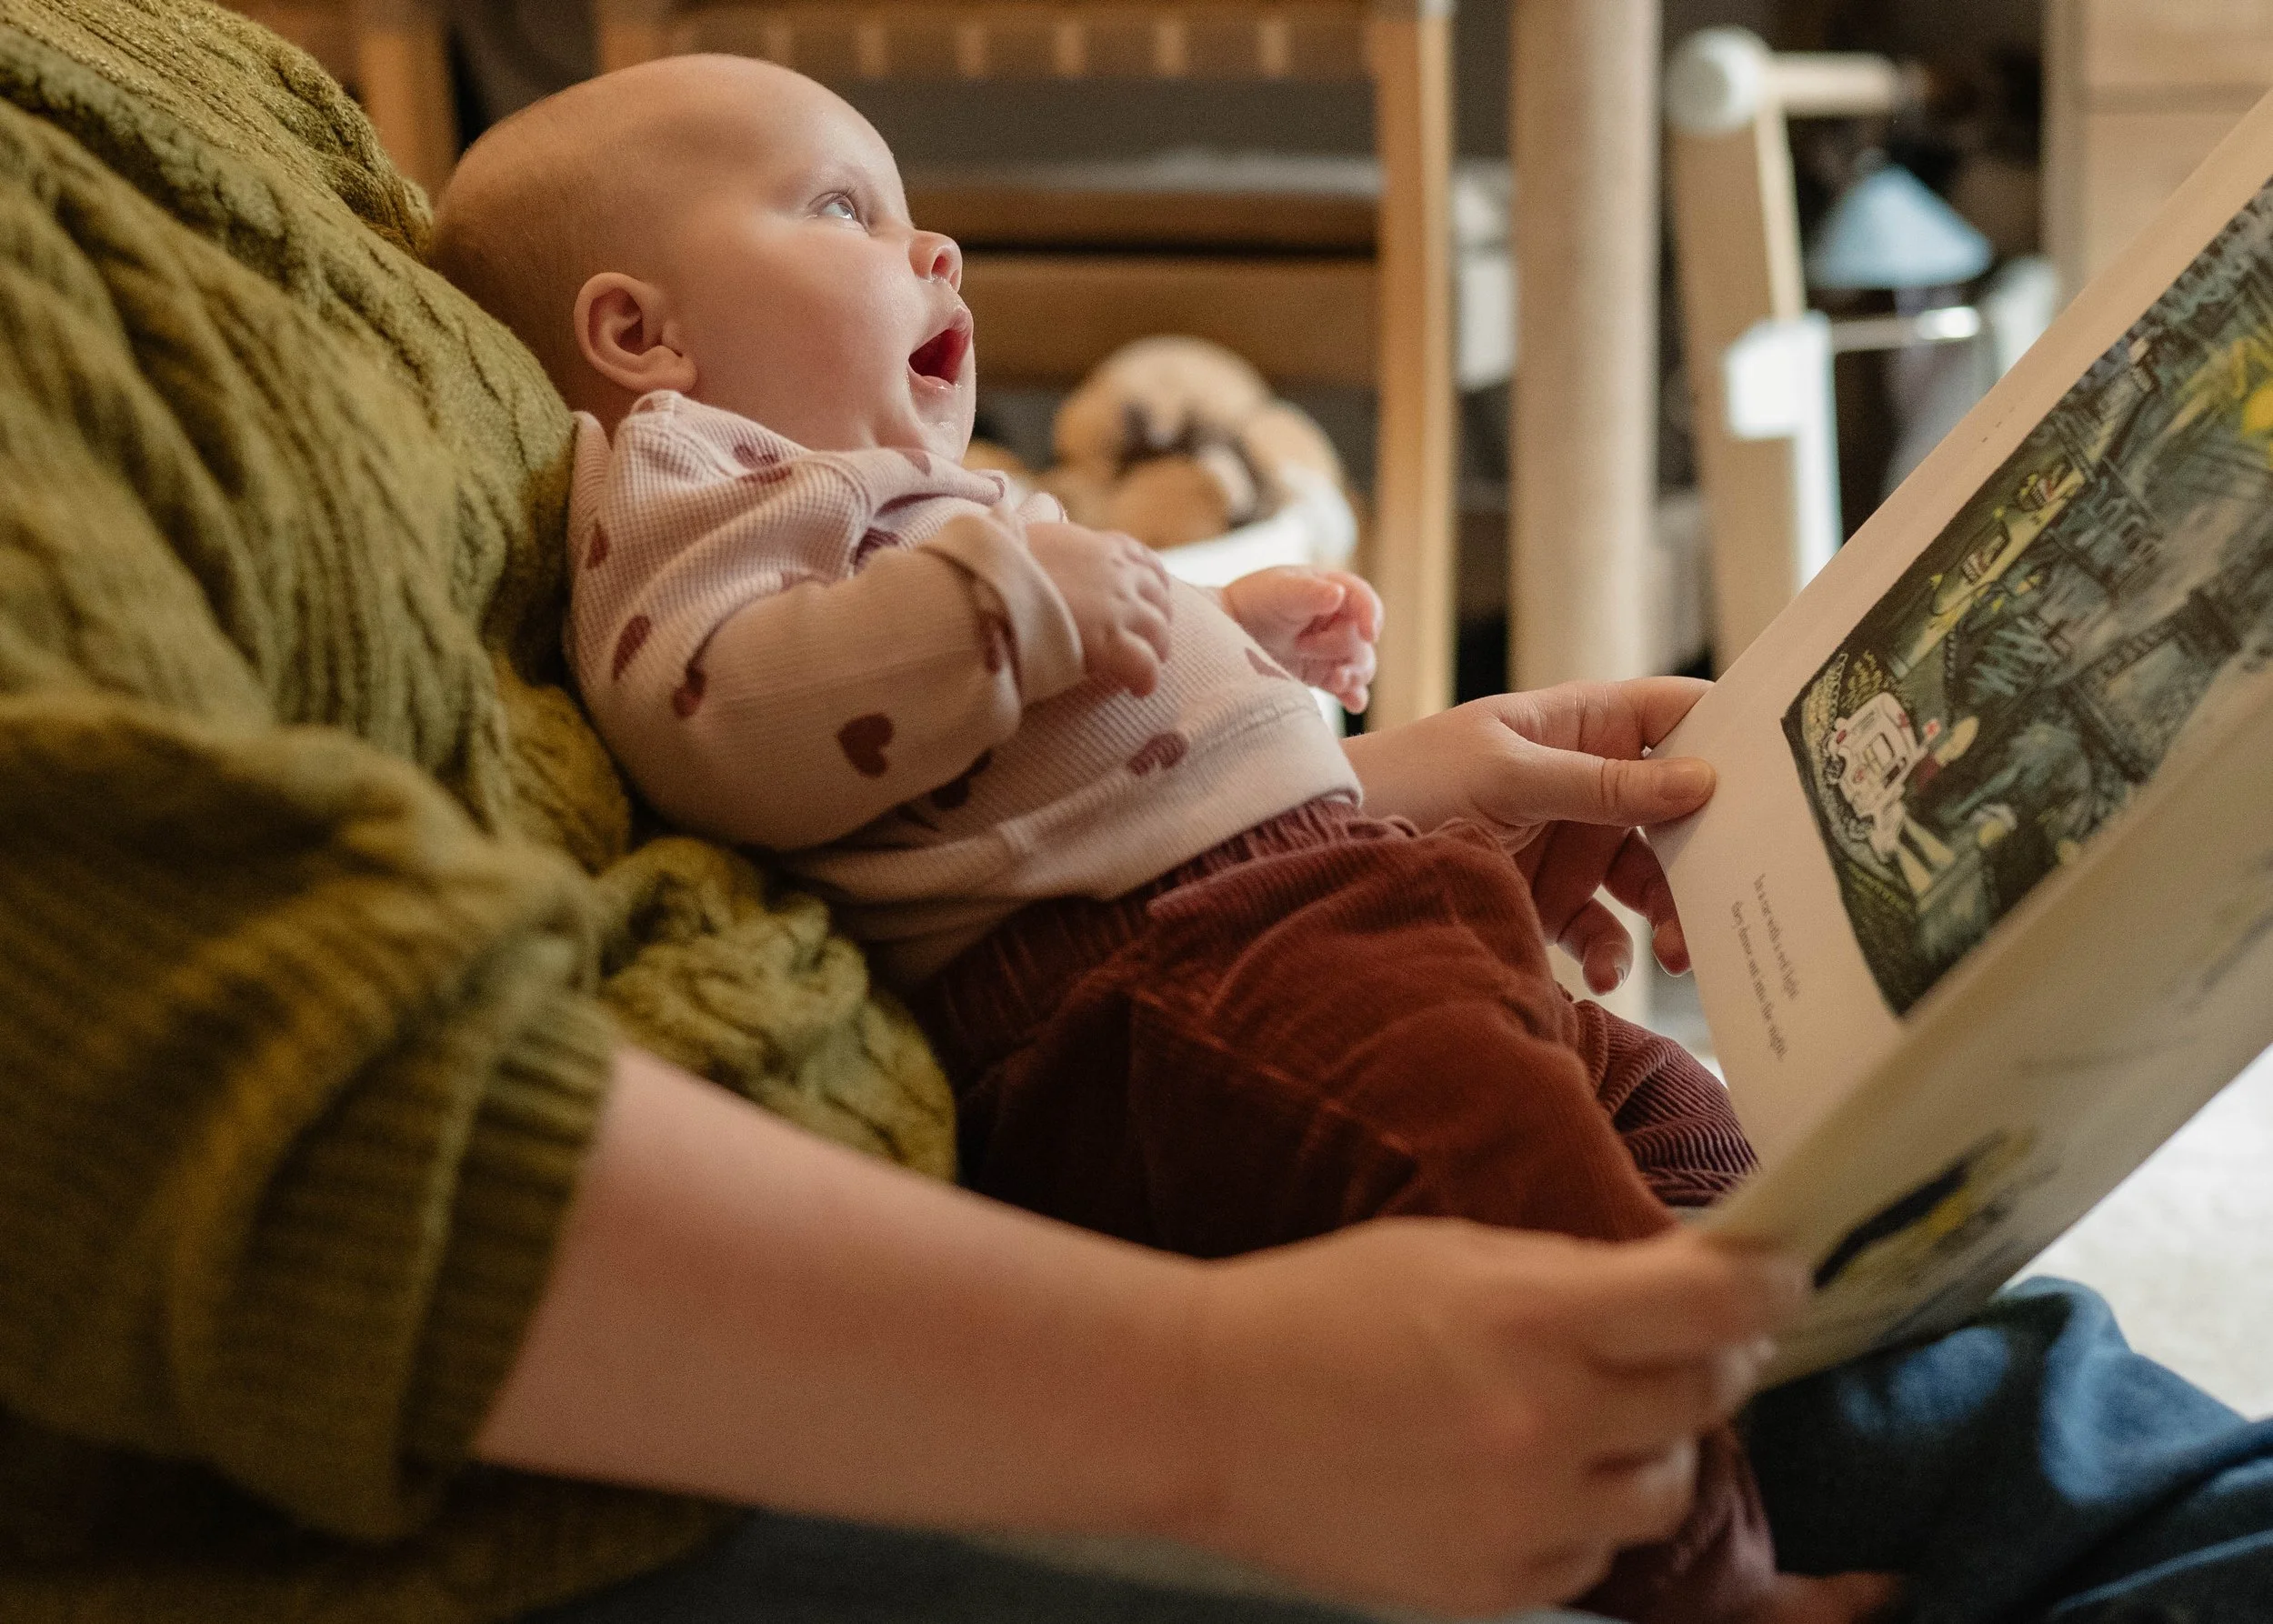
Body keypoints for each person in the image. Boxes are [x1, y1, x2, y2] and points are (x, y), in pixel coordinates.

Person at [426, 54, 1851, 1622]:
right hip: (1153, 975)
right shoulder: (691, 480)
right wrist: (1012, 603)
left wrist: (1225, 640)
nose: (934, 251)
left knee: (1676, 1127)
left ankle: (1758, 1406)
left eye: (915, 216)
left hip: (1309, 906)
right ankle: (1707, 1582)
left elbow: (1053, 732)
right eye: (844, 208)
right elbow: (720, 710)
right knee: (1519, 1196)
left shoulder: (922, 496)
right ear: (645, 333)